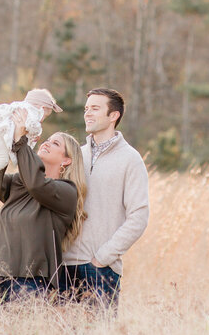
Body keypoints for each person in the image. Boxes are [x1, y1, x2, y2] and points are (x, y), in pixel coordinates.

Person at [0, 109, 87, 303]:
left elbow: (38, 185)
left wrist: (21, 142)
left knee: (24, 333)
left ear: (66, 160)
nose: (46, 142)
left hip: (31, 281)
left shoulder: (67, 192)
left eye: (55, 144)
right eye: (47, 140)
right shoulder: (21, 183)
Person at [59, 87, 149, 309]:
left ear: (113, 116)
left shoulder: (130, 159)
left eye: (95, 109)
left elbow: (138, 216)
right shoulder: (76, 155)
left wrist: (103, 257)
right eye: (86, 108)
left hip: (100, 269)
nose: (87, 113)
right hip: (64, 266)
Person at [0, 87, 63, 190]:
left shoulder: (16, 105)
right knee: (2, 159)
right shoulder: (32, 111)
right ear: (42, 108)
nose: (41, 120)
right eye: (44, 117)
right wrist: (36, 132)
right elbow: (31, 125)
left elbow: (17, 128)